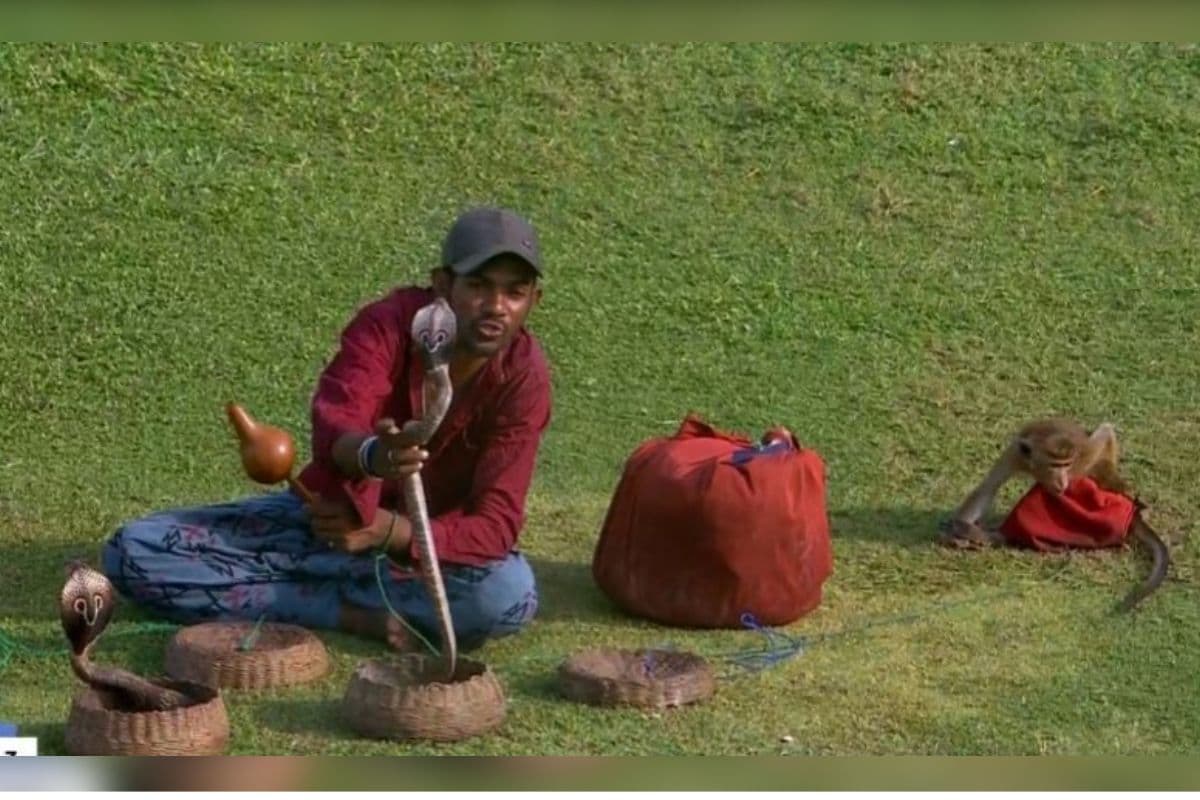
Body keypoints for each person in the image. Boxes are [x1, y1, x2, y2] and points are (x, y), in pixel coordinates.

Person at [101, 206, 551, 652]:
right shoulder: (387, 325)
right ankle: (351, 612)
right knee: (132, 551)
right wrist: (373, 457)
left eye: (514, 293)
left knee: (508, 596)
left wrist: (388, 532)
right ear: (443, 284)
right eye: (478, 286)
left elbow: (496, 524)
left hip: (424, 546)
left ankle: (294, 592)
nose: (496, 307)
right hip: (327, 523)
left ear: (534, 300)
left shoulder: (525, 378)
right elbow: (337, 421)